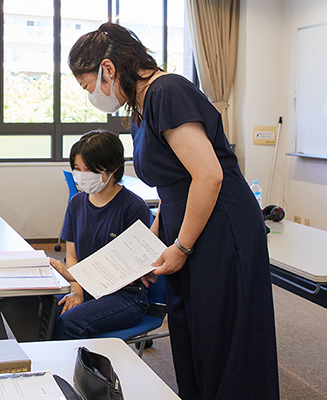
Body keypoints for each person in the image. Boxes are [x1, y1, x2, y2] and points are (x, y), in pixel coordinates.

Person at [68, 23, 279, 400]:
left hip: (221, 228)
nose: (90, 95)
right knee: (192, 338)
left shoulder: (167, 92)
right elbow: (173, 182)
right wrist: (154, 241)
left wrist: (181, 247)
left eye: (87, 85)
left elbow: (209, 176)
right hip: (191, 225)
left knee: (223, 341)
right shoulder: (142, 104)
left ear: (108, 68)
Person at [50, 130, 151, 340]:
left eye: (89, 170)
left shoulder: (133, 207)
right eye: (77, 169)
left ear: (112, 169)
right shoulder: (77, 203)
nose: (81, 176)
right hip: (85, 287)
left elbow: (129, 270)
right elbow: (72, 257)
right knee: (40, 311)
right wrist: (76, 289)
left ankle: (82, 372)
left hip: (125, 295)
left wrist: (73, 276)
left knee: (67, 323)